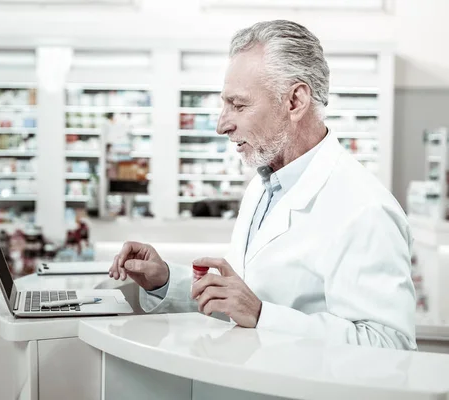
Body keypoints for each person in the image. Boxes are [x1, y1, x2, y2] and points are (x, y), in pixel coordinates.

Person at [109, 20, 417, 350]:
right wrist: (166, 279)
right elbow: (239, 297)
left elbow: (390, 346)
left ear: (295, 101)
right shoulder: (265, 184)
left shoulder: (365, 208)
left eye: (238, 105)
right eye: (224, 104)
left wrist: (262, 316)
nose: (221, 125)